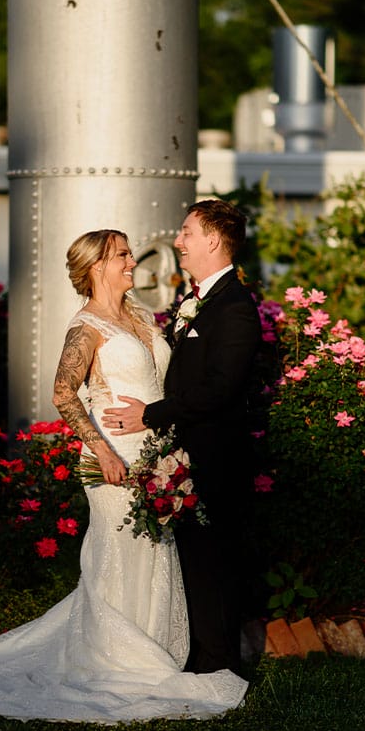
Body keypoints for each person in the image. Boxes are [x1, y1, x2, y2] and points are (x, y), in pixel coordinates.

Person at [0, 229, 248, 723]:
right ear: (96, 266)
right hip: (112, 460)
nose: (133, 261)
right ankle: (115, 663)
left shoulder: (143, 316)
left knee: (156, 559)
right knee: (119, 557)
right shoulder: (86, 327)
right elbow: (64, 393)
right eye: (122, 255)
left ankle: (155, 654)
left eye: (129, 253)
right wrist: (102, 452)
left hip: (157, 459)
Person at [102, 201, 263, 676]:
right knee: (194, 561)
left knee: (214, 564)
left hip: (215, 458)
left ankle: (220, 668)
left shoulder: (234, 308)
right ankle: (200, 658)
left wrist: (150, 416)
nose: (178, 242)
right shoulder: (201, 302)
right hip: (188, 454)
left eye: (187, 233)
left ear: (214, 240)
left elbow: (219, 389)